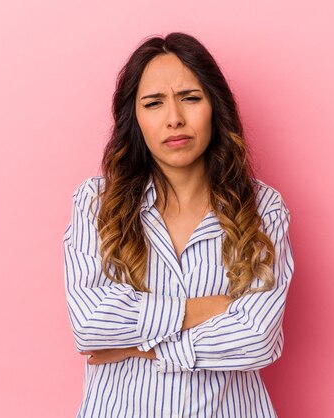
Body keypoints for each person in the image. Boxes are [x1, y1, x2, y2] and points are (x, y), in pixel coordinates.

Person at [63, 32, 295, 418]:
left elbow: (257, 339)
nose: (175, 119)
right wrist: (206, 309)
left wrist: (141, 346)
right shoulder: (96, 204)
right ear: (134, 118)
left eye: (190, 98)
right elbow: (90, 324)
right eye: (154, 103)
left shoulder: (263, 209)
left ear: (215, 107)